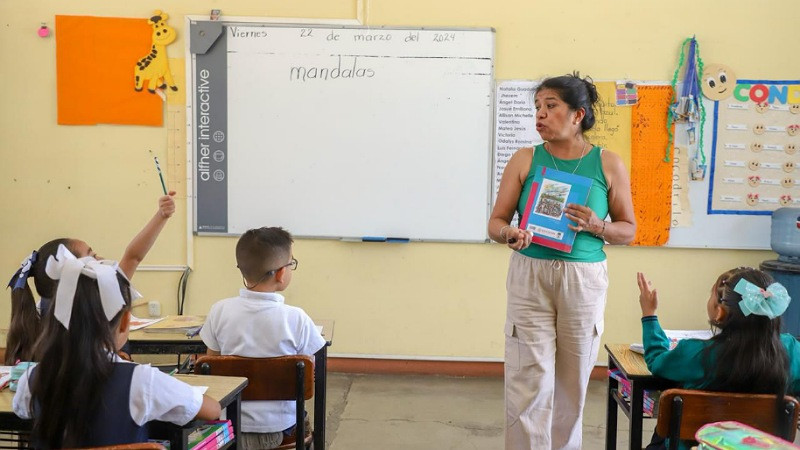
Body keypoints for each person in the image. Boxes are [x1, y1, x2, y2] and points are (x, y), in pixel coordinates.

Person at [488, 72, 636, 449]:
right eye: (537, 106)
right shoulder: (525, 158)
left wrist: (596, 224)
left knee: (572, 382)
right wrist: (510, 234)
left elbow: (628, 229)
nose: (540, 114)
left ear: (578, 115)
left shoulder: (607, 163)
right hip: (530, 274)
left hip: (583, 279)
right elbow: (497, 221)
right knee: (527, 378)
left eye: (550, 106)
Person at [12, 245, 221, 448]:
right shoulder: (142, 381)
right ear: (124, 322)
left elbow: (21, 411)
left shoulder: (31, 380)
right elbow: (212, 410)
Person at [5, 192, 176, 365]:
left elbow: (133, 257)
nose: (100, 258)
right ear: (72, 272)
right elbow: (133, 257)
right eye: (92, 256)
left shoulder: (37, 314)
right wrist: (161, 216)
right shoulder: (102, 297)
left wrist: (161, 216)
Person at [637, 268, 800, 450]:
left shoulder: (694, 353)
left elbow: (657, 362)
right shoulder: (792, 350)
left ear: (720, 312)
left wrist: (649, 315)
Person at [200, 226, 326, 450]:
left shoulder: (219, 311)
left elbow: (211, 366)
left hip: (230, 425)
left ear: (242, 270)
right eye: (291, 263)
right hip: (281, 428)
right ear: (280, 273)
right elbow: (311, 374)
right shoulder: (297, 318)